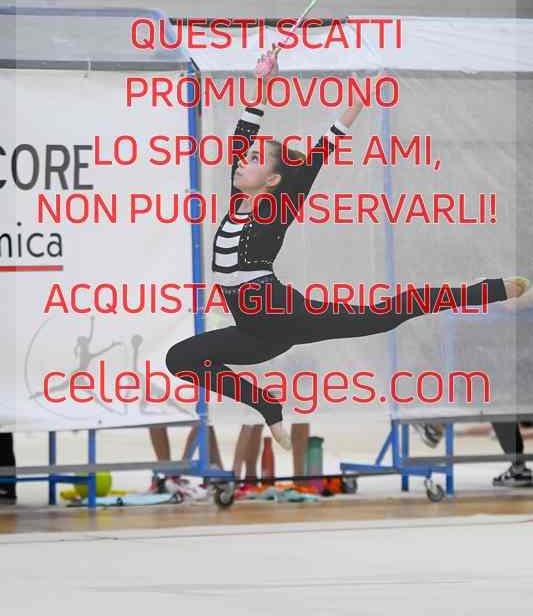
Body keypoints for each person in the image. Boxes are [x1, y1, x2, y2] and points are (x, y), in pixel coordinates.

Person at [165, 45, 530, 450]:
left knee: (385, 315)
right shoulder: (238, 204)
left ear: (273, 181)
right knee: (179, 359)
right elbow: (243, 133)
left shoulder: (278, 208)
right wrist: (263, 83)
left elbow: (319, 155)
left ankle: (487, 290)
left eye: (253, 159)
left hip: (283, 315)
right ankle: (266, 404)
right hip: (252, 334)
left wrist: (355, 105)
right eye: (245, 157)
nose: (241, 161)